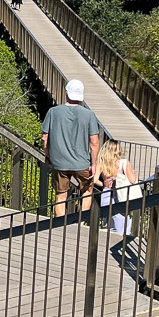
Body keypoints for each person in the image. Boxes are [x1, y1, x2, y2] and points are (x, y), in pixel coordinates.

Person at [42, 79, 102, 216]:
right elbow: (94, 142)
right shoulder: (89, 114)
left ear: (67, 93)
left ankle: (60, 225)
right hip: (82, 163)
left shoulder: (53, 112)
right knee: (87, 191)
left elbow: (44, 138)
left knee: (60, 195)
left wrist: (48, 155)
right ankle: (80, 223)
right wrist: (94, 163)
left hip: (59, 162)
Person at [95, 139, 140, 234]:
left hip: (106, 193)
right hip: (121, 194)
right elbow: (132, 180)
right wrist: (133, 173)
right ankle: (119, 245)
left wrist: (103, 184)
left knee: (109, 224)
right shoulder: (123, 162)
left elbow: (94, 180)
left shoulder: (101, 163)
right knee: (123, 224)